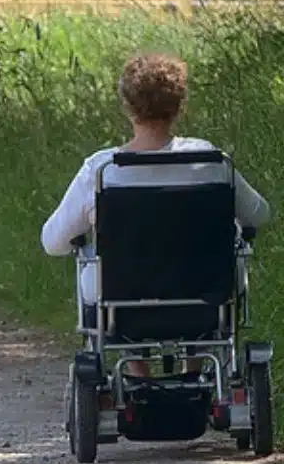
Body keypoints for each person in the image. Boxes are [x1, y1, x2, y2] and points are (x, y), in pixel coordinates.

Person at [41, 52, 271, 377]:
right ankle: (196, 367)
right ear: (180, 105)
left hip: (121, 303)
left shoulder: (102, 170)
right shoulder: (212, 163)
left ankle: (137, 373)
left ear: (127, 106)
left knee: (99, 270)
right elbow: (259, 214)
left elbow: (53, 242)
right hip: (206, 299)